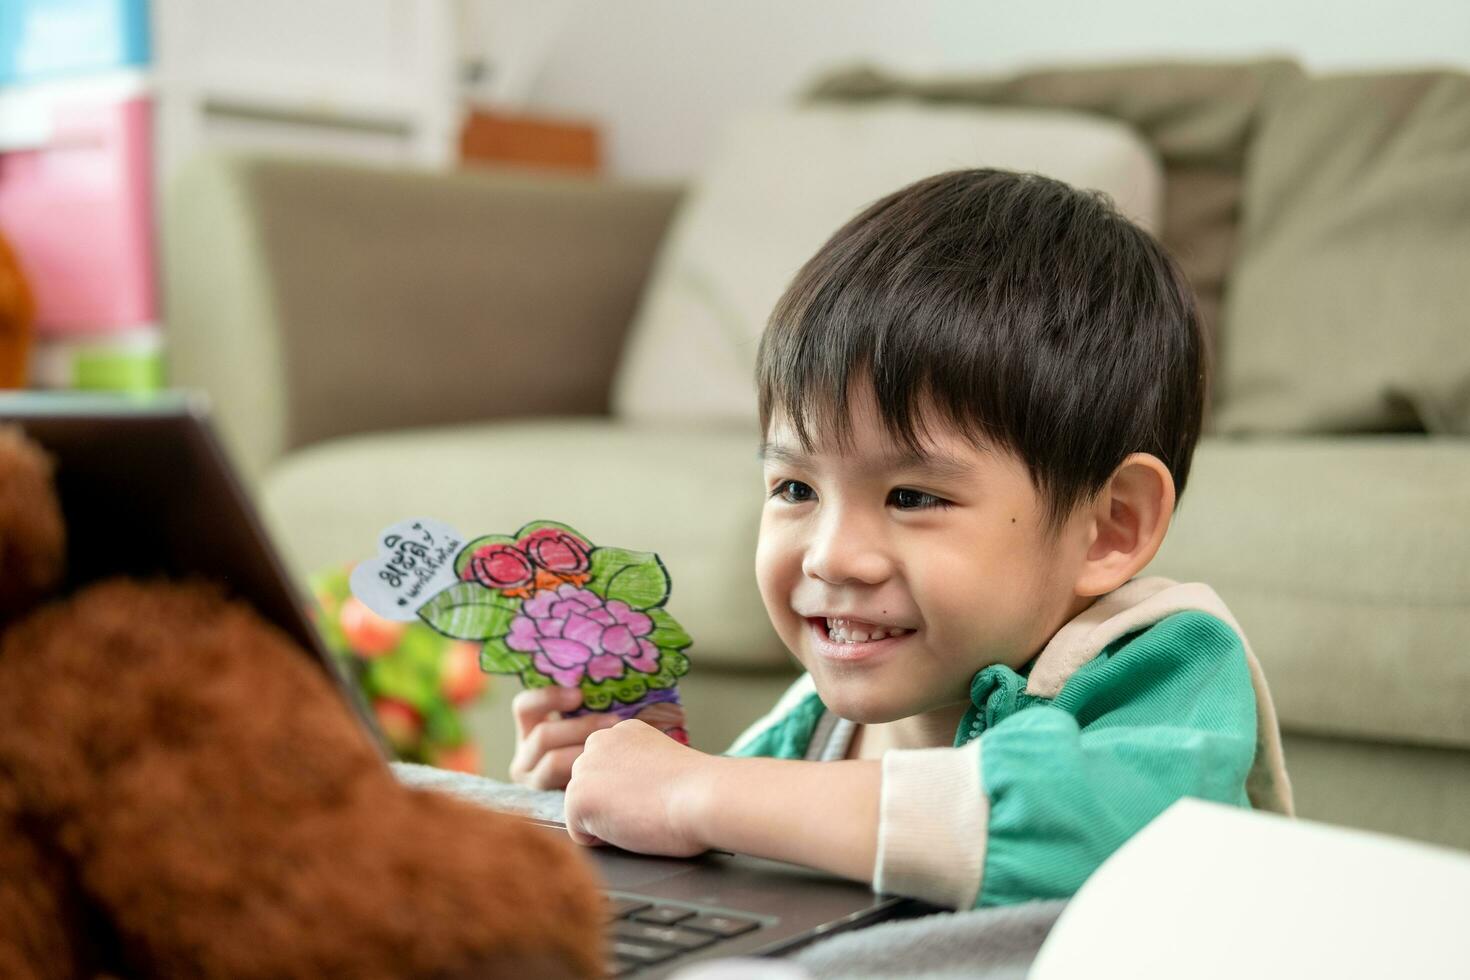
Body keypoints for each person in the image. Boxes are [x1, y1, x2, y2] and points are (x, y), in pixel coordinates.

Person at [510, 168, 1292, 909]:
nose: (829, 556)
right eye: (795, 489)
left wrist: (700, 793)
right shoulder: (817, 726)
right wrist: (610, 794)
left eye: (912, 495)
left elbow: (1109, 829)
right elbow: (736, 857)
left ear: (1108, 527)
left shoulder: (1164, 663)